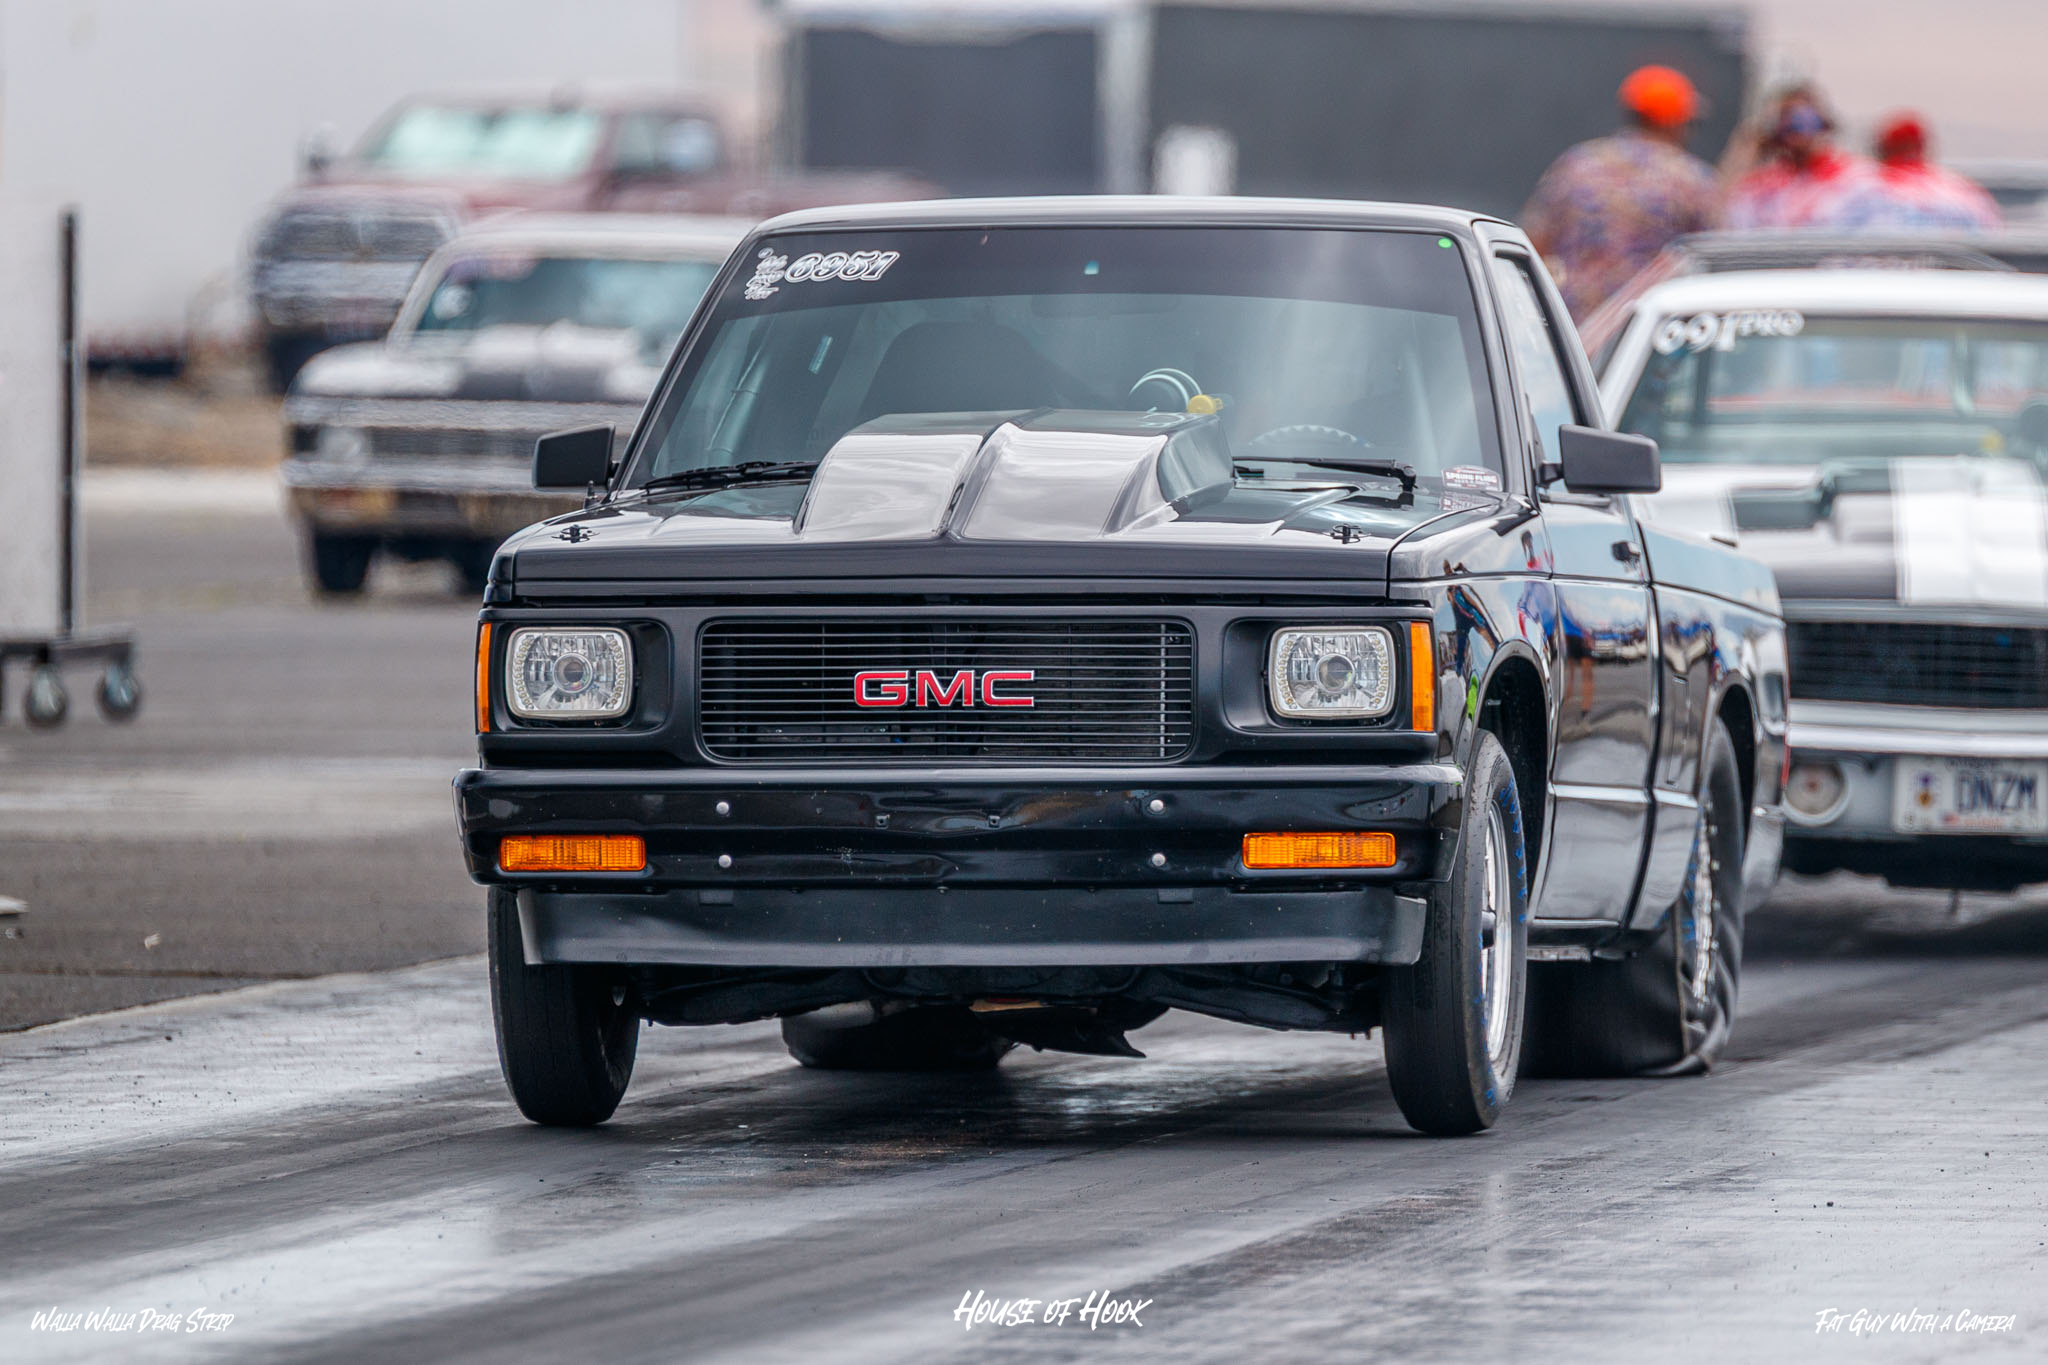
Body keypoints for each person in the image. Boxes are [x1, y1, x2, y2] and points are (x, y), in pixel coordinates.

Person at [1522, 65, 1721, 321]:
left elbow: (1534, 243)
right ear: (1677, 122)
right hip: (1647, 332)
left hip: (1572, 326)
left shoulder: (1578, 164)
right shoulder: (1692, 179)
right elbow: (1713, 259)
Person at [1722, 85, 1872, 229]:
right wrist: (1747, 150)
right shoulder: (1761, 185)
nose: (1793, 125)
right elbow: (1724, 216)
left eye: (1802, 117)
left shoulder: (1855, 178)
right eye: (1783, 117)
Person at [1830, 113, 2003, 231]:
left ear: (1881, 148)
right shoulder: (1963, 190)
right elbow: (1993, 235)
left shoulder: (1858, 187)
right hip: (1952, 277)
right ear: (1924, 147)